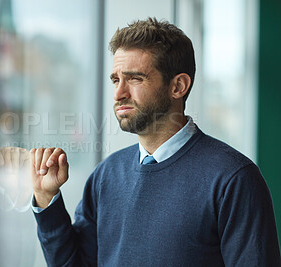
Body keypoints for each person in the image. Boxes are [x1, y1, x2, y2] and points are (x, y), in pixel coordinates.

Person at [29, 18, 281, 266]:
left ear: (178, 86)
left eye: (135, 78)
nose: (119, 93)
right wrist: (45, 197)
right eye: (116, 80)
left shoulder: (233, 179)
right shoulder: (106, 175)